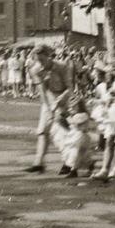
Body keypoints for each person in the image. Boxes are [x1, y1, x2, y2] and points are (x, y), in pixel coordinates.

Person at [26, 44, 72, 174]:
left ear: (48, 56)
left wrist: (61, 100)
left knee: (63, 132)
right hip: (48, 99)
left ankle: (68, 162)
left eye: (42, 59)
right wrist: (48, 107)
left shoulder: (62, 66)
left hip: (62, 98)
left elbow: (70, 88)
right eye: (37, 59)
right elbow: (42, 91)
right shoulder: (35, 70)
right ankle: (38, 162)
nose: (40, 62)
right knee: (42, 131)